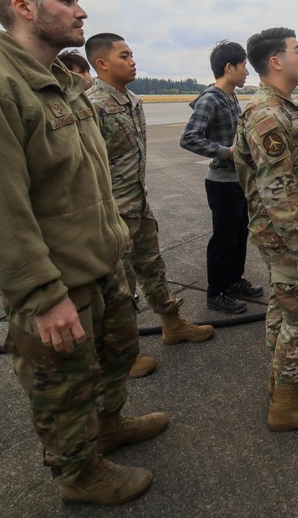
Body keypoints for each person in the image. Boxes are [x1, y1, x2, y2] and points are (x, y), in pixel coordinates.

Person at [0, 0, 167, 506]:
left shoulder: (61, 83)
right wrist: (40, 296)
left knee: (115, 357)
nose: (82, 11)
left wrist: (117, 251)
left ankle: (109, 427)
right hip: (57, 282)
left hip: (101, 263)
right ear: (23, 7)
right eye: (67, 0)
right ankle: (79, 476)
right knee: (64, 386)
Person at [85, 33, 215, 377]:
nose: (132, 60)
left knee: (152, 266)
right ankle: (122, 354)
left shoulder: (133, 100)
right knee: (120, 283)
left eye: (131, 54)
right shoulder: (89, 105)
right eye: (124, 55)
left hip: (138, 204)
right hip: (111, 212)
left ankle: (172, 324)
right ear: (101, 64)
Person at [234, 27, 298, 432]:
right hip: (286, 236)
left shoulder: (280, 106)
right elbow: (276, 189)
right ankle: (287, 405)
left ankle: (284, 377)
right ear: (276, 61)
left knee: (284, 305)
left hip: (280, 233)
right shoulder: (268, 115)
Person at [180, 40, 264, 314]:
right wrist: (225, 152)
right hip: (221, 183)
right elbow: (189, 137)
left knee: (239, 235)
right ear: (229, 68)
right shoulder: (211, 99)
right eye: (243, 66)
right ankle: (216, 292)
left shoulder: (231, 96)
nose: (247, 72)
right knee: (224, 239)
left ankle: (234, 280)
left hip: (237, 181)